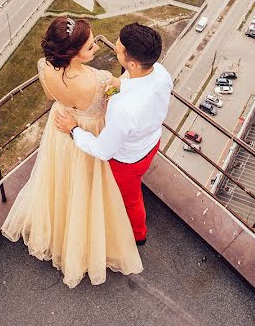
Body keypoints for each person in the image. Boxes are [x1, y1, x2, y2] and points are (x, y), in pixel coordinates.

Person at [1, 17, 142, 288]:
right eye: (90, 47)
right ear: (73, 52)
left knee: (59, 181)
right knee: (88, 186)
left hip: (61, 125)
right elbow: (120, 89)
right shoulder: (96, 81)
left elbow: (52, 96)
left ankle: (59, 229)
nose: (97, 48)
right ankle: (83, 240)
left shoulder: (44, 67)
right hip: (86, 129)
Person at [55, 23, 173, 245]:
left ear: (132, 63)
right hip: (152, 142)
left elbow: (103, 150)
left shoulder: (124, 109)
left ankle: (139, 236)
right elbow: (141, 93)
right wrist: (120, 85)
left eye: (118, 50)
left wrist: (73, 129)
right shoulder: (161, 73)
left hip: (128, 162)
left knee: (131, 200)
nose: (114, 48)